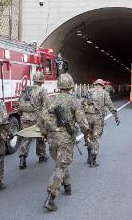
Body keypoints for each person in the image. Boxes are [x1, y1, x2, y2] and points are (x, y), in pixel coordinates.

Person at [41, 73, 89, 211]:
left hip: (51, 138)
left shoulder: (51, 100)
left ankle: (67, 187)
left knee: (60, 162)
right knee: (61, 166)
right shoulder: (74, 101)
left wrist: (45, 134)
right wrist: (87, 135)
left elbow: (41, 120)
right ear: (71, 86)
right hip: (65, 138)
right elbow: (83, 123)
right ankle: (51, 197)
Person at [81, 79, 120, 167]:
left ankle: (88, 157)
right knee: (96, 137)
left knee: (89, 136)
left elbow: (80, 104)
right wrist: (116, 117)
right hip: (98, 118)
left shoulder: (88, 92)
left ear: (95, 84)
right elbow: (110, 106)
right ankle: (93, 160)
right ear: (102, 85)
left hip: (87, 117)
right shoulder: (104, 93)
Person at [18, 71, 49, 169]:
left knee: (26, 137)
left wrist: (23, 115)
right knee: (40, 137)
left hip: (25, 118)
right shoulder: (42, 91)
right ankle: (42, 156)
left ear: (34, 80)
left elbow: (19, 103)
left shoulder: (26, 90)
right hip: (37, 118)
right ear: (42, 81)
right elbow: (47, 105)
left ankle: (22, 159)